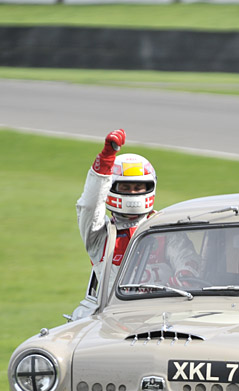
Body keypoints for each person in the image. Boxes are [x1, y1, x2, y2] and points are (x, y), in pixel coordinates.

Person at [73, 129, 200, 317]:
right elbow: (89, 206)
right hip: (113, 318)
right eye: (125, 187)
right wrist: (106, 159)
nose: (132, 193)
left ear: (150, 187)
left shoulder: (165, 229)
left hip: (163, 316)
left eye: (138, 187)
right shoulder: (101, 235)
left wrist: (166, 294)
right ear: (111, 188)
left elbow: (190, 267)